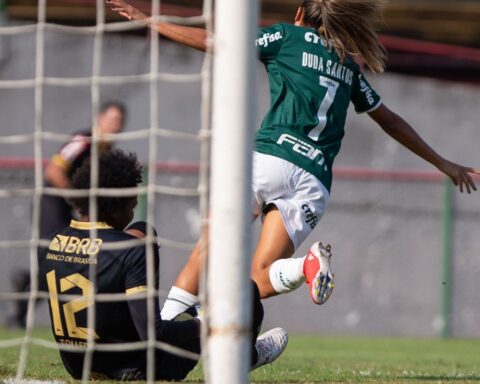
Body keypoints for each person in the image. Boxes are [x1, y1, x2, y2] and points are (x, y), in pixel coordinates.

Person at [106, 0, 480, 320]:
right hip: (314, 179)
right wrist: (444, 163)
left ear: (300, 12)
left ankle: (167, 323)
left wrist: (149, 19)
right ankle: (303, 267)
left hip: (271, 157)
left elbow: (219, 43)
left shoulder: (286, 35)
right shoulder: (346, 65)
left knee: (211, 244)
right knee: (261, 276)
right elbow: (390, 120)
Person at [37, 149, 288, 380]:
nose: (133, 214)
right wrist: (207, 322)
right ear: (115, 208)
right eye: (132, 206)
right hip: (136, 369)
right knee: (246, 291)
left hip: (78, 367)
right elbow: (154, 334)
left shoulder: (49, 242)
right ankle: (247, 357)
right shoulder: (131, 251)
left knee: (143, 230)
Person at [8, 101, 126, 329]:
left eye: (119, 122)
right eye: (112, 120)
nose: (115, 126)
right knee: (55, 259)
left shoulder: (107, 153)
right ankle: (21, 312)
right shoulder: (83, 140)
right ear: (100, 119)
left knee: (60, 262)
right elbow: (53, 170)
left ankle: (24, 290)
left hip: (71, 207)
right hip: (51, 202)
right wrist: (77, 200)